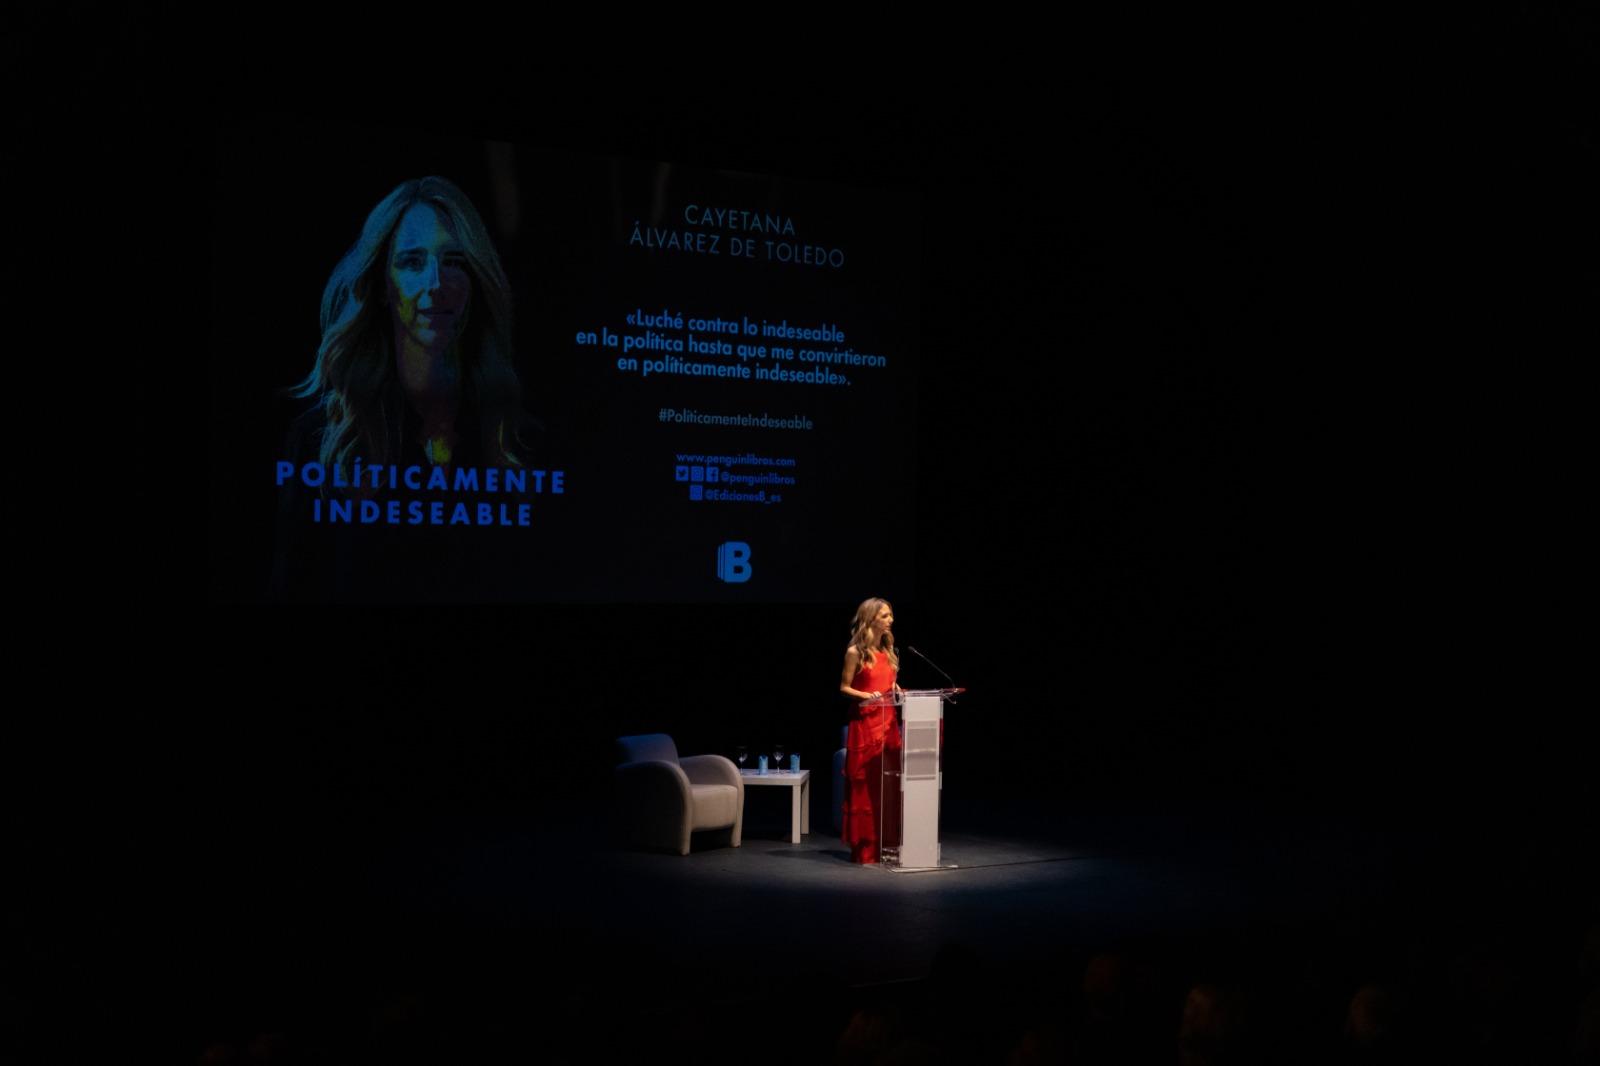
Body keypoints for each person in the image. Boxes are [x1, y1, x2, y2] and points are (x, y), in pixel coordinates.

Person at [289, 175, 531, 476]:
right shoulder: (324, 441)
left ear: (476, 281)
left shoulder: (520, 440)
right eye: (412, 262)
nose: (435, 284)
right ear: (382, 286)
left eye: (454, 262)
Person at [840, 597, 904, 864]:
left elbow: (890, 682)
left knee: (889, 785)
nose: (891, 620)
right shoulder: (855, 652)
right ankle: (866, 848)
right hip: (866, 724)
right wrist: (866, 694)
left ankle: (888, 846)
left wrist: (897, 690)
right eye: (885, 616)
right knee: (866, 786)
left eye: (890, 615)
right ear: (871, 619)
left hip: (889, 724)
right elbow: (844, 687)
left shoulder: (889, 651)